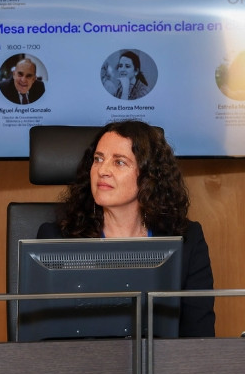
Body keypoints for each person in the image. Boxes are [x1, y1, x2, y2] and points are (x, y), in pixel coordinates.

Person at [37, 120, 216, 337]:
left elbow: (199, 336)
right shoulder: (56, 239)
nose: (102, 170)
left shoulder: (186, 240)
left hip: (161, 367)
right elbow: (45, 339)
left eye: (119, 162)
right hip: (82, 367)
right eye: (98, 159)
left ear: (149, 176)